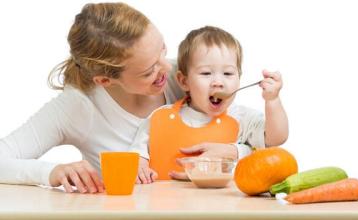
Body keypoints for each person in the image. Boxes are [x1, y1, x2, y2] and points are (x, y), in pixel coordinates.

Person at [0, 3, 252, 194]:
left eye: (162, 50)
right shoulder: (78, 106)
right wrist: (50, 171)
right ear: (105, 81)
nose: (166, 67)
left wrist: (234, 151)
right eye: (148, 70)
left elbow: (252, 134)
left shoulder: (188, 78)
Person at [130, 26, 288, 184]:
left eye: (228, 73)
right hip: (166, 205)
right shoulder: (159, 117)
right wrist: (140, 165)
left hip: (223, 206)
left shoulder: (243, 118)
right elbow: (137, 156)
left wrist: (272, 100)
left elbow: (276, 138)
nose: (218, 82)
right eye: (206, 73)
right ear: (184, 81)